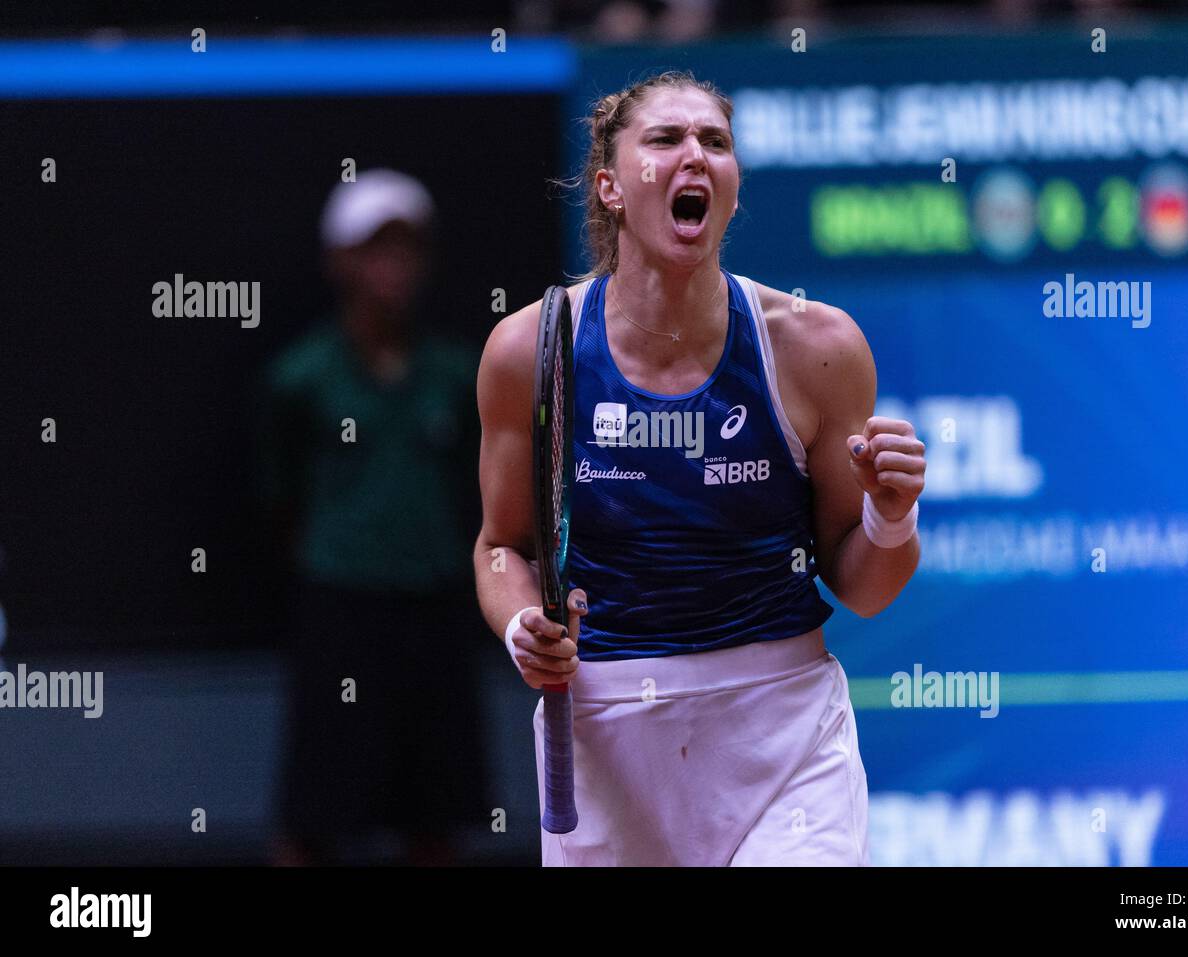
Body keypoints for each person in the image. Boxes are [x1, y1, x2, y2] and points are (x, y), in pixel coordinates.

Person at [474, 72, 926, 866]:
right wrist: (523, 628)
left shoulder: (816, 348)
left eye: (714, 143)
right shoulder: (528, 351)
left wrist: (892, 517)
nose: (696, 156)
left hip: (783, 734)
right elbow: (502, 547)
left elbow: (864, 586)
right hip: (604, 736)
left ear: (733, 185)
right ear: (611, 187)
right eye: (666, 140)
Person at [260, 169, 484, 865]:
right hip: (340, 613)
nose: (393, 265)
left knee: (438, 818)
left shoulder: (460, 373)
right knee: (315, 814)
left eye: (407, 247)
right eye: (375, 247)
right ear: (340, 261)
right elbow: (279, 499)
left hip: (435, 608)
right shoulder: (300, 378)